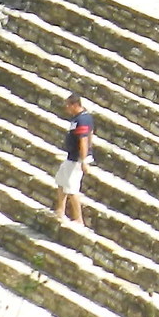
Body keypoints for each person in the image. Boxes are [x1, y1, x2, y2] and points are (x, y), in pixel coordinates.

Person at [50, 93, 94, 235]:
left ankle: (78, 219)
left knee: (72, 188)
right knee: (61, 181)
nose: (67, 108)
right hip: (71, 157)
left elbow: (84, 140)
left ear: (75, 105)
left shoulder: (82, 119)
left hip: (76, 159)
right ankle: (60, 211)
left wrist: (84, 160)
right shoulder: (80, 118)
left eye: (68, 105)